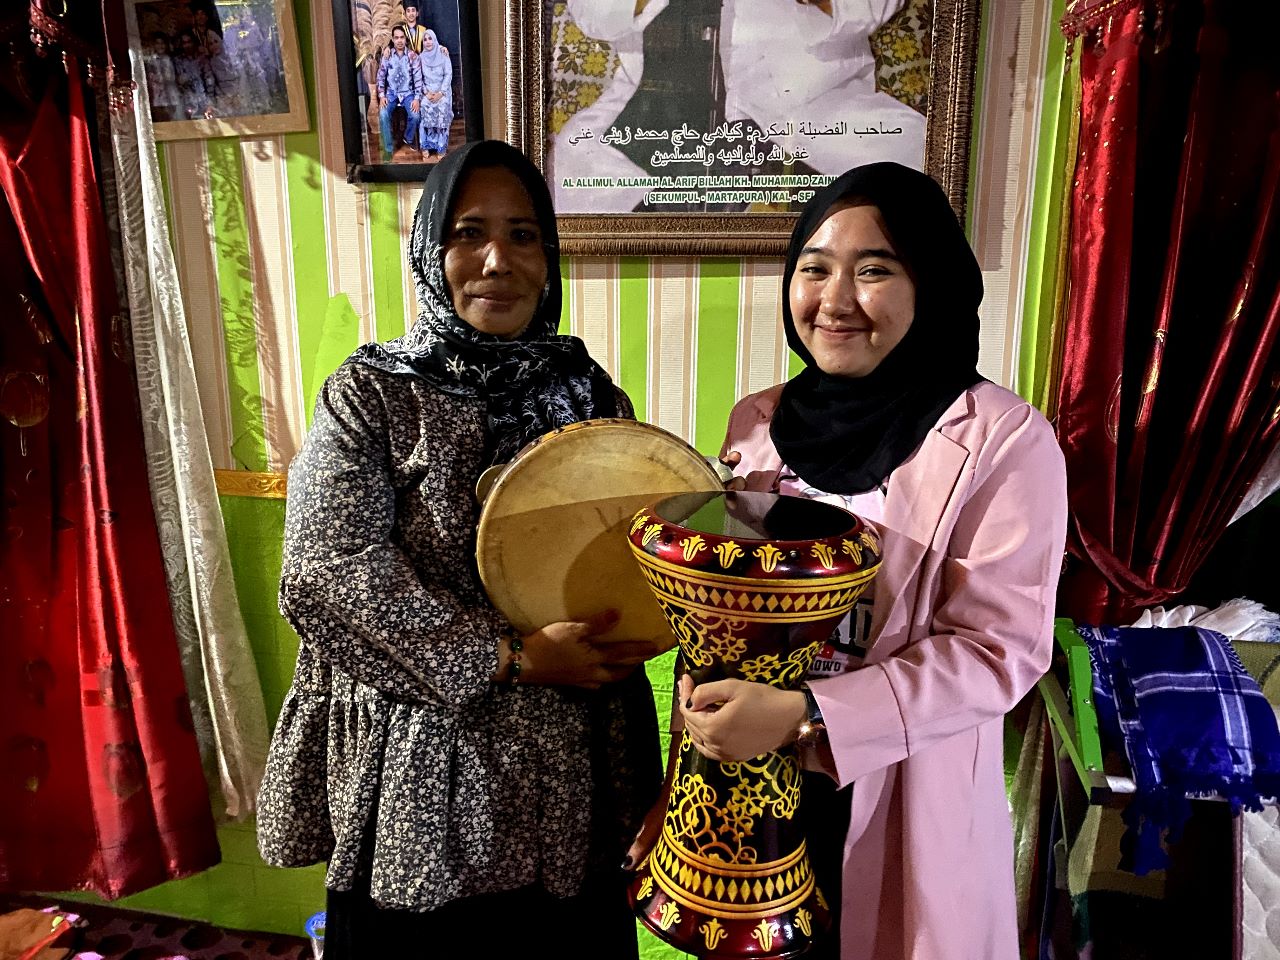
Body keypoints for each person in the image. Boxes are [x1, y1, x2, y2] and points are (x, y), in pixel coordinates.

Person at [627, 162, 1068, 959]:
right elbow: (723, 625)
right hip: (752, 803)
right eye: (815, 267)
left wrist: (809, 715)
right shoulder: (761, 422)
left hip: (896, 785)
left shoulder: (1005, 439)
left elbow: (999, 653)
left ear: (928, 281)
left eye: (874, 270)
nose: (835, 300)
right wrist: (682, 782)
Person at [256, 140, 663, 959]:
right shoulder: (372, 394)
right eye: (469, 232)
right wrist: (511, 656)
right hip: (431, 768)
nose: (496, 260)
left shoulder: (587, 394)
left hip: (574, 767)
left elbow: (625, 545)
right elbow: (328, 571)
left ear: (549, 257)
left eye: (522, 235)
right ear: (430, 249)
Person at [548, 0, 927, 213]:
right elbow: (592, 11)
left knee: (915, 158)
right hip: (656, 102)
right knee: (573, 163)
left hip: (814, 97)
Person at [374, 25, 420, 162]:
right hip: (391, 94)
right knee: (383, 114)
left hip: (408, 93)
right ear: (392, 40)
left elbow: (418, 79)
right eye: (396, 38)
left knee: (416, 115)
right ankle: (388, 150)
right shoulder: (387, 56)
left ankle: (408, 137)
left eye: (402, 37)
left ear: (405, 39)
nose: (399, 40)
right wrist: (381, 95)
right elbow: (380, 77)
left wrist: (417, 98)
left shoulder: (413, 56)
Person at [415, 28, 452, 158]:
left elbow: (448, 74)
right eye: (425, 40)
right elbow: (418, 78)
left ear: (435, 40)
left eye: (430, 38)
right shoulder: (420, 58)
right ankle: (426, 145)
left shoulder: (443, 54)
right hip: (427, 92)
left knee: (442, 107)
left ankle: (441, 147)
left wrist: (441, 93)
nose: (428, 42)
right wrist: (426, 93)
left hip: (442, 91)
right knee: (425, 106)